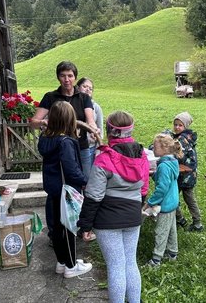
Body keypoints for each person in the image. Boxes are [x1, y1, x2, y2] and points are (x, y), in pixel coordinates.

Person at [77, 111, 149, 303]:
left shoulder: (104, 158)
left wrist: (85, 226)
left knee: (116, 266)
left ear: (109, 131)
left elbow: (93, 196)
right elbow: (144, 189)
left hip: (107, 220)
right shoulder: (142, 156)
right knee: (130, 263)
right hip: (133, 216)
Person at [30, 61, 98, 244]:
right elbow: (34, 121)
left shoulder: (83, 97)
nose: (66, 79)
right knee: (57, 189)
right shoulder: (51, 97)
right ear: (58, 77)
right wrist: (45, 123)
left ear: (75, 77)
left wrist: (93, 129)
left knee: (79, 188)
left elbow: (90, 120)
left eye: (70, 75)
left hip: (80, 147)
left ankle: (79, 227)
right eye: (63, 75)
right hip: (59, 145)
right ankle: (55, 232)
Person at [37, 101, 92, 278]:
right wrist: (84, 181)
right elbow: (71, 168)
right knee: (69, 228)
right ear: (69, 120)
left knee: (58, 229)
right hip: (67, 191)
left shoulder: (46, 139)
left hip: (53, 191)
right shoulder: (65, 142)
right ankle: (70, 266)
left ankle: (63, 261)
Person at [144, 133, 183, 267]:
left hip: (165, 203)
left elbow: (162, 189)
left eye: (154, 147)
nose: (152, 149)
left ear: (164, 148)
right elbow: (168, 180)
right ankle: (172, 252)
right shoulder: (172, 161)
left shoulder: (163, 166)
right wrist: (155, 175)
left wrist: (150, 202)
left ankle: (156, 259)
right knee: (171, 228)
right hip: (173, 201)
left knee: (161, 231)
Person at [171, 112, 203, 232]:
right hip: (187, 174)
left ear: (185, 127)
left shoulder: (182, 139)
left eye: (180, 125)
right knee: (187, 198)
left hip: (185, 175)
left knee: (175, 196)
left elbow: (178, 155)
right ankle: (192, 221)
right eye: (175, 124)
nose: (177, 127)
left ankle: (191, 221)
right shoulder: (186, 136)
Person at [77, 77, 104, 183]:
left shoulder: (96, 107)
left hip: (90, 147)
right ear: (78, 88)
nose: (88, 90)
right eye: (84, 86)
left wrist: (99, 147)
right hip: (74, 145)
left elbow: (100, 128)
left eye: (90, 88)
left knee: (88, 176)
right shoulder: (73, 103)